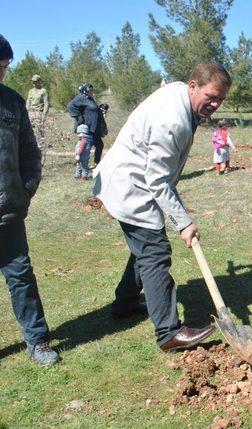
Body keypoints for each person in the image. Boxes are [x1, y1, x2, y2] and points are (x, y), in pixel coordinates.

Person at [93, 62, 232, 352]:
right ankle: (168, 333)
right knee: (155, 251)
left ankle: (126, 302)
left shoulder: (179, 92)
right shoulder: (173, 121)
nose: (216, 105)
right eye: (211, 97)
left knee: (144, 247)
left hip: (133, 178)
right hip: (131, 184)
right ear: (192, 86)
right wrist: (183, 222)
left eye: (221, 99)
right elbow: (157, 181)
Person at [0, 34, 59, 365]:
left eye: (4, 67)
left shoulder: (12, 101)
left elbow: (29, 151)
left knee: (21, 277)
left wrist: (28, 186)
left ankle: (37, 341)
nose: (2, 73)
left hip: (8, 211)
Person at [67, 83, 105, 163]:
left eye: (92, 90)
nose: (91, 91)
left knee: (99, 145)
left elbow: (92, 108)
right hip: (87, 127)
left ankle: (96, 163)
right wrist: (78, 116)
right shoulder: (80, 97)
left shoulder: (89, 98)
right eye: (89, 90)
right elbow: (70, 105)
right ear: (85, 90)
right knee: (86, 147)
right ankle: (82, 169)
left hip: (93, 127)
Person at [26, 74, 48, 148]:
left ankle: (40, 145)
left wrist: (44, 114)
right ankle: (30, 144)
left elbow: (46, 103)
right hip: (30, 112)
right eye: (33, 81)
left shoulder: (43, 91)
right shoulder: (31, 91)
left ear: (39, 81)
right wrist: (26, 112)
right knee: (29, 129)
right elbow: (28, 102)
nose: (33, 83)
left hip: (39, 112)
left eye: (35, 81)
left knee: (39, 129)